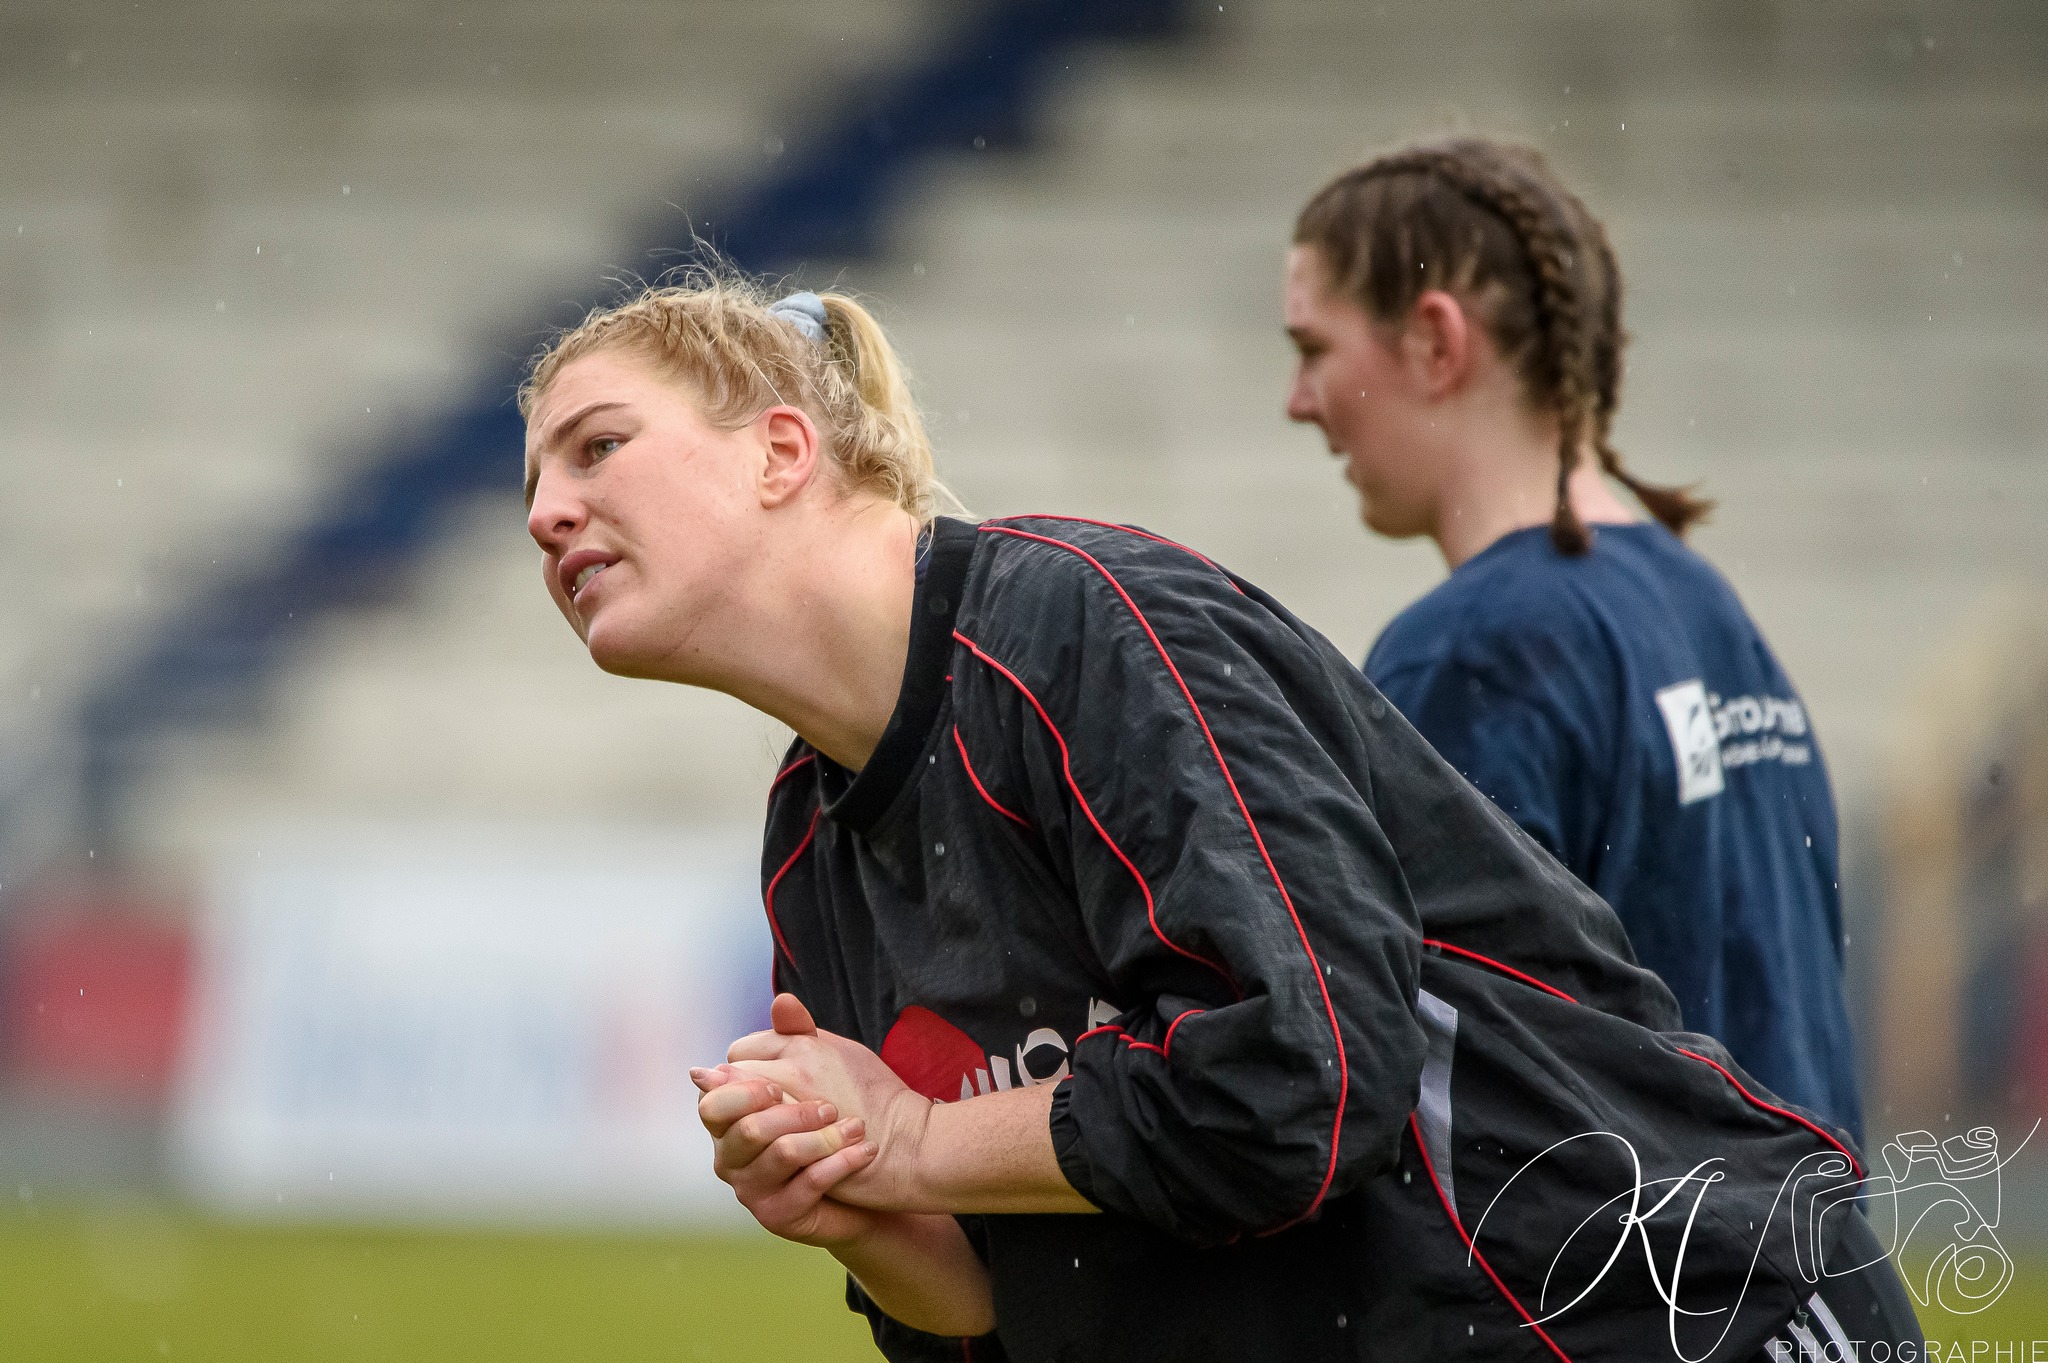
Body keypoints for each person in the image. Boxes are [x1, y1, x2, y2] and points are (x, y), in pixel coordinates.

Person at [520, 276, 1920, 1361]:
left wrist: (914, 1141)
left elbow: (1304, 1086)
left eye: (597, 446)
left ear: (779, 451)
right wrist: (861, 1211)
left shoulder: (1082, 622)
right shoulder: (809, 839)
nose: (546, 512)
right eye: (533, 481)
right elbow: (1011, 1310)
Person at [1283, 138, 1864, 1142]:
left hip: (1634, 1283)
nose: (1297, 403)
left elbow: (1407, 1091)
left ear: (1433, 340)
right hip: (1808, 1275)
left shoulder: (1476, 652)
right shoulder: (1700, 599)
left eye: (1312, 350)